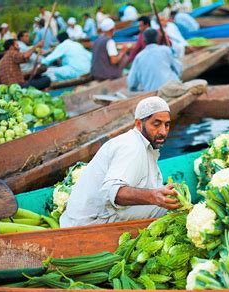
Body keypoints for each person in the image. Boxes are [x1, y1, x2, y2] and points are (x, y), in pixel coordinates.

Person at [60, 96, 179, 227]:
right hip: (91, 222)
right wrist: (153, 196)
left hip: (86, 217)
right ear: (139, 124)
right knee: (169, 208)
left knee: (168, 199)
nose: (163, 131)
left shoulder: (142, 143)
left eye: (167, 125)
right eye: (156, 124)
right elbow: (112, 191)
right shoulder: (131, 147)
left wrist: (155, 194)